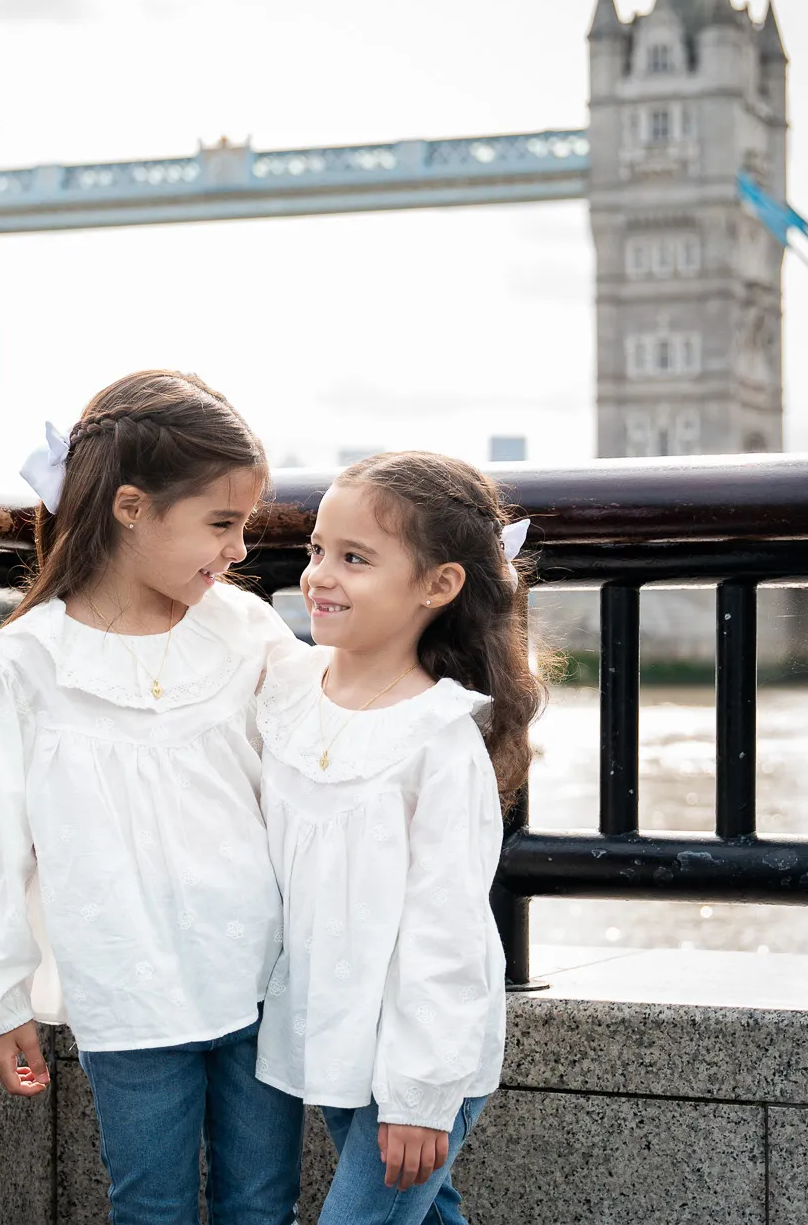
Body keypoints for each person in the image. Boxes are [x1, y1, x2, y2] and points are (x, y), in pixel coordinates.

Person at [0, 370, 306, 1225]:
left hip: (262, 969)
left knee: (264, 1203)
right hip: (128, 985)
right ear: (132, 507)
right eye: (221, 523)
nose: (240, 550)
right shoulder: (31, 661)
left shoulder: (245, 630)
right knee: (150, 1205)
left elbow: (317, 770)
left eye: (244, 525)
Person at [253, 450, 543, 1225]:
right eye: (317, 550)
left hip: (419, 1055)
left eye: (355, 558)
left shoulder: (438, 740)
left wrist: (421, 1094)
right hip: (331, 1030)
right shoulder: (285, 691)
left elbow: (446, 930)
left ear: (438, 585)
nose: (320, 574)